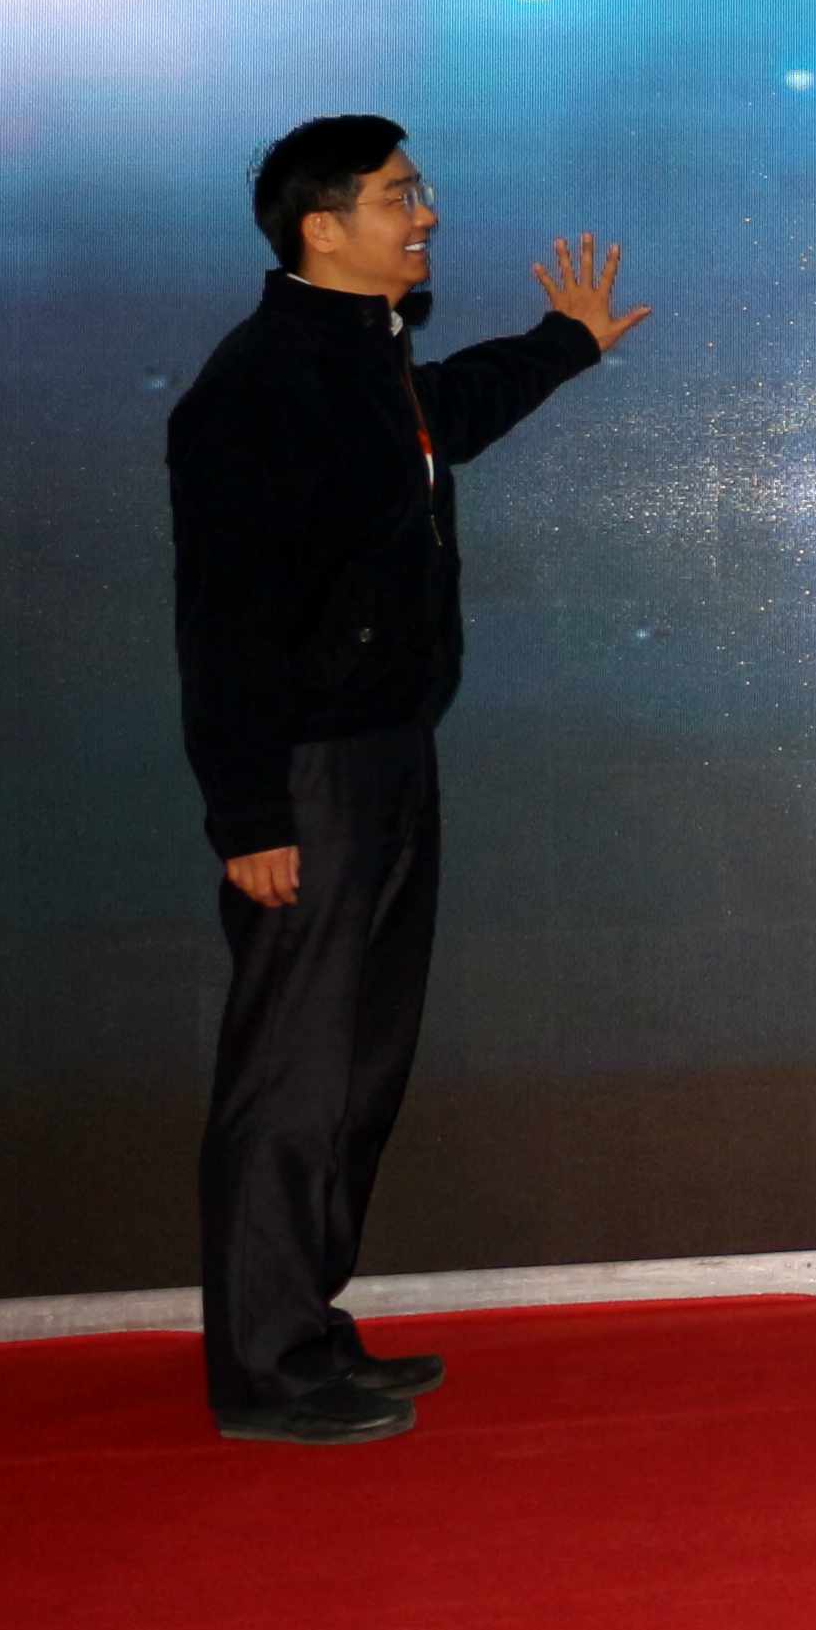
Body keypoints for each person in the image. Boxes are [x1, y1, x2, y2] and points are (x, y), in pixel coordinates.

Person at [169, 118, 648, 1443]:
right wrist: (250, 814)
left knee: (356, 1060)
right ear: (322, 227)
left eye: (417, 189)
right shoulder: (261, 384)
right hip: (309, 776)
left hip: (383, 752)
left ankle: (305, 1329)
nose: (424, 213)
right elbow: (223, 623)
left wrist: (563, 344)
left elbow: (446, 418)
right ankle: (266, 1369)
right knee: (293, 1067)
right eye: (397, 195)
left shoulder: (361, 364)